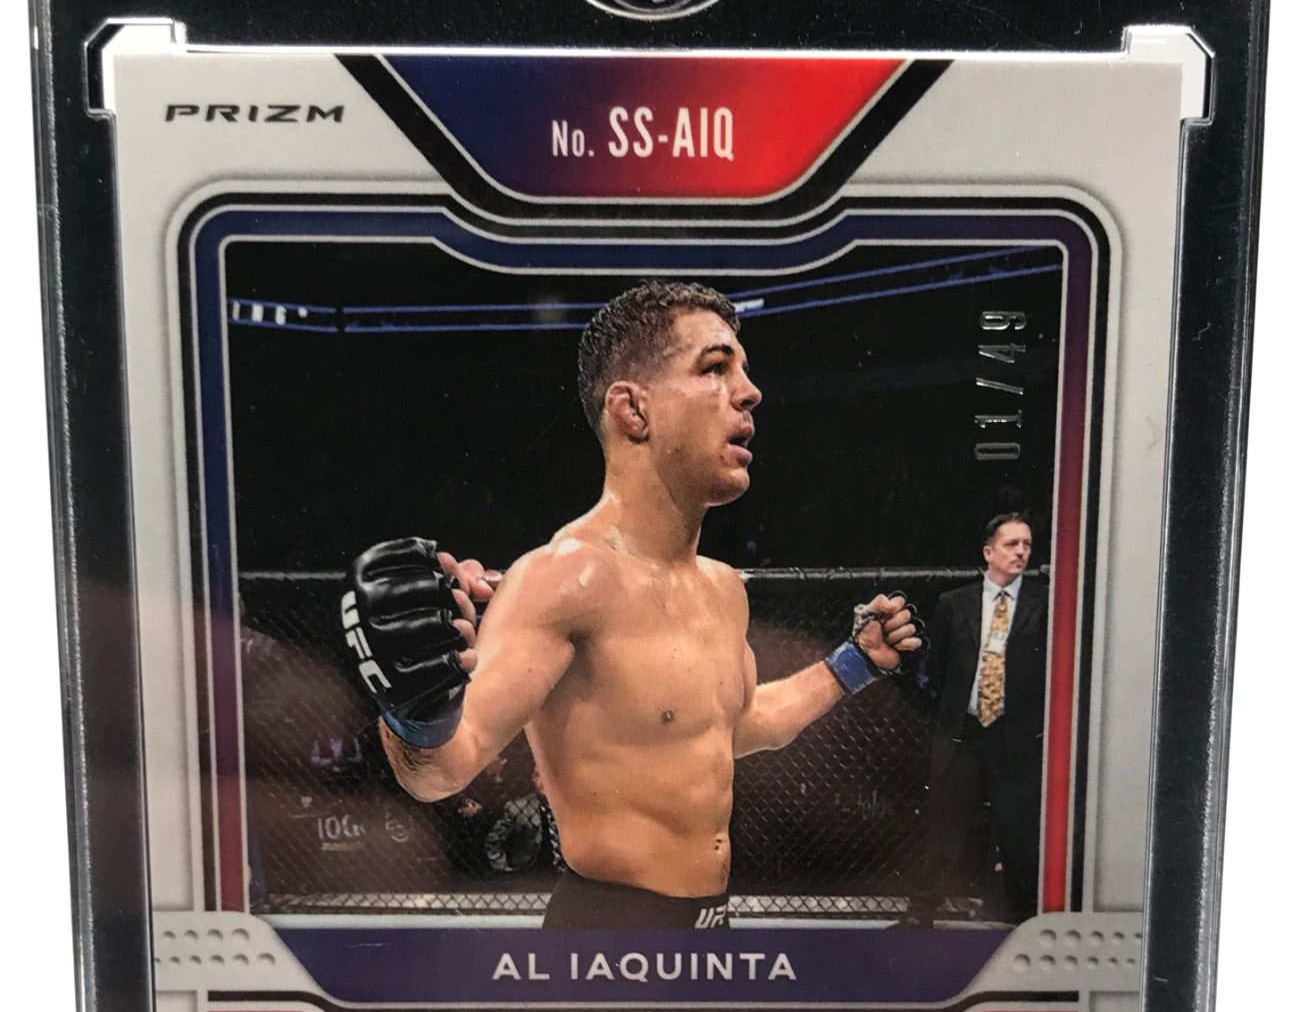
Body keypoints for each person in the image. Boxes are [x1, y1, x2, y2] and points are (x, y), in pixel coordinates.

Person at [341, 280, 921, 929]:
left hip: (712, 928)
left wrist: (853, 663)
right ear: (632, 410)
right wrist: (414, 712)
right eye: (715, 368)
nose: (750, 391)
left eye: (743, 370)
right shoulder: (566, 577)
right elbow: (444, 771)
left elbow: (737, 726)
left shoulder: (723, 587)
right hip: (606, 939)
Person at [923, 513, 1047, 925]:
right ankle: (922, 912)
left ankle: (1020, 918)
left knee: (1017, 829)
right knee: (946, 824)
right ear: (989, 552)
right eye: (1012, 544)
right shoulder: (955, 603)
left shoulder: (1044, 604)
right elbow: (936, 668)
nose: (1021, 552)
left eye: (1027, 545)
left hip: (1015, 731)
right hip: (965, 728)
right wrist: (948, 715)